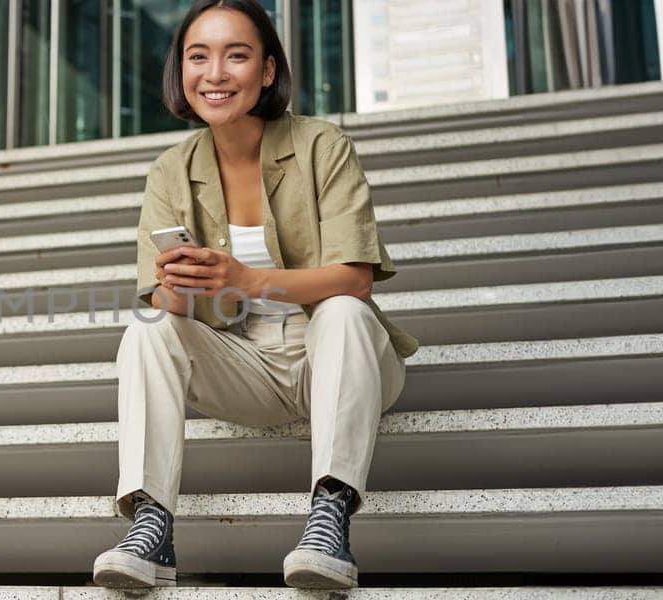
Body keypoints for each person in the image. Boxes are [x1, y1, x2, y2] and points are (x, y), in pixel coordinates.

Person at [90, 0, 420, 590]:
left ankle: (330, 515)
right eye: (198, 56)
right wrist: (183, 288)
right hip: (246, 363)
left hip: (342, 352)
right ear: (180, 71)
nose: (215, 73)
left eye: (235, 55)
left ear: (267, 71)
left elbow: (355, 278)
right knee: (146, 328)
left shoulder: (322, 145)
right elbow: (165, 307)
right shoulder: (170, 170)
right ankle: (151, 524)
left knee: (342, 311)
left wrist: (247, 279)